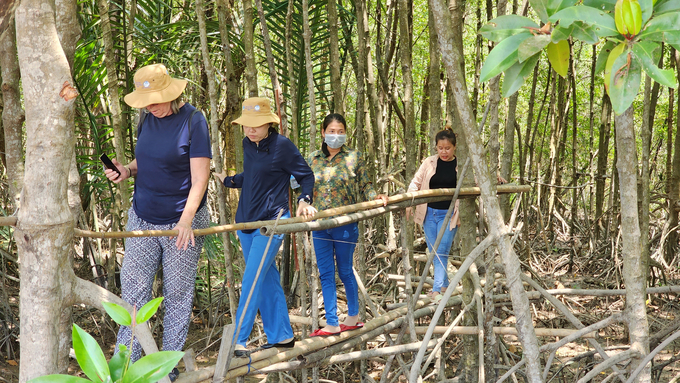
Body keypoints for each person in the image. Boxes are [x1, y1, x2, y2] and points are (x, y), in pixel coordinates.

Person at [105, 63, 211, 382]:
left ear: (172, 93)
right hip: (142, 217)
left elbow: (200, 178)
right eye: (145, 101)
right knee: (133, 295)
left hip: (182, 221)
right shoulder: (146, 119)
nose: (150, 106)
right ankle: (123, 369)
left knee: (177, 294)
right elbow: (148, 159)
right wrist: (128, 171)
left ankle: (165, 366)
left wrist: (186, 220)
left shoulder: (194, 121)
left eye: (155, 99)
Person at [214, 97, 316, 356]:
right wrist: (229, 180)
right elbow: (253, 174)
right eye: (246, 124)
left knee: (251, 279)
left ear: (270, 123)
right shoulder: (249, 144)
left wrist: (305, 199)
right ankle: (282, 336)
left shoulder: (282, 146)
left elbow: (306, 175)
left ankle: (238, 339)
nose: (250, 129)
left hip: (272, 222)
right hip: (245, 221)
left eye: (256, 125)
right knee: (266, 277)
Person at [307, 113, 388, 336]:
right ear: (323, 133)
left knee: (344, 270)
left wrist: (376, 196)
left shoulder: (354, 156)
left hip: (346, 223)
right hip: (319, 225)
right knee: (325, 273)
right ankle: (332, 322)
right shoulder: (313, 158)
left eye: (340, 131)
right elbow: (303, 188)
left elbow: (365, 184)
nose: (336, 135)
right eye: (331, 131)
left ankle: (352, 317)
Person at [407, 129, 459, 299]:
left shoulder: (461, 165)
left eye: (448, 148)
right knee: (433, 250)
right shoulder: (429, 162)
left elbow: (479, 179)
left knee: (441, 250)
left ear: (454, 148)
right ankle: (444, 285)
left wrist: (496, 177)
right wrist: (409, 202)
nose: (444, 152)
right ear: (436, 147)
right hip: (429, 213)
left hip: (450, 214)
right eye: (440, 148)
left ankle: (436, 289)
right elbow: (416, 182)